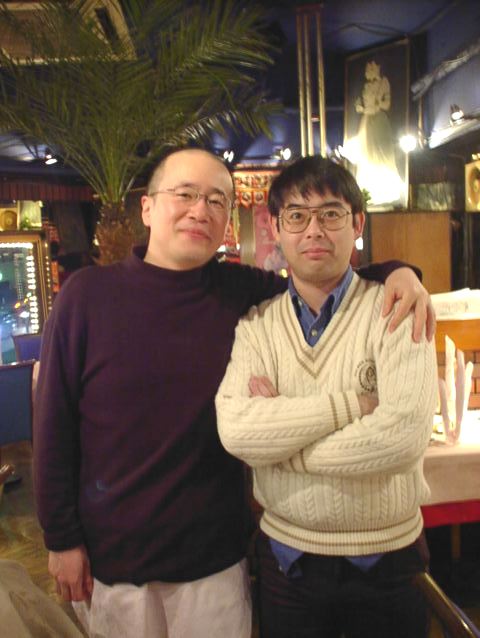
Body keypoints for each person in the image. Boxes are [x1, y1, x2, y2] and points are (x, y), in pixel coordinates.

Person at [34, 148, 434, 638]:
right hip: (113, 555)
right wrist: (61, 538)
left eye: (216, 200)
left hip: (215, 557)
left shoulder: (240, 292)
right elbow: (52, 425)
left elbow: (321, 272)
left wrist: (400, 272)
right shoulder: (86, 296)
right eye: (185, 194)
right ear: (147, 207)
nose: (200, 210)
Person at [216, 155, 438, 638]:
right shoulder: (256, 325)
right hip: (286, 563)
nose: (314, 229)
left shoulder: (398, 308)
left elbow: (403, 437)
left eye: (330, 214)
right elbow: (237, 432)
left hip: (388, 562)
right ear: (276, 228)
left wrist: (280, 446)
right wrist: (353, 406)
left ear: (357, 224)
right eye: (297, 216)